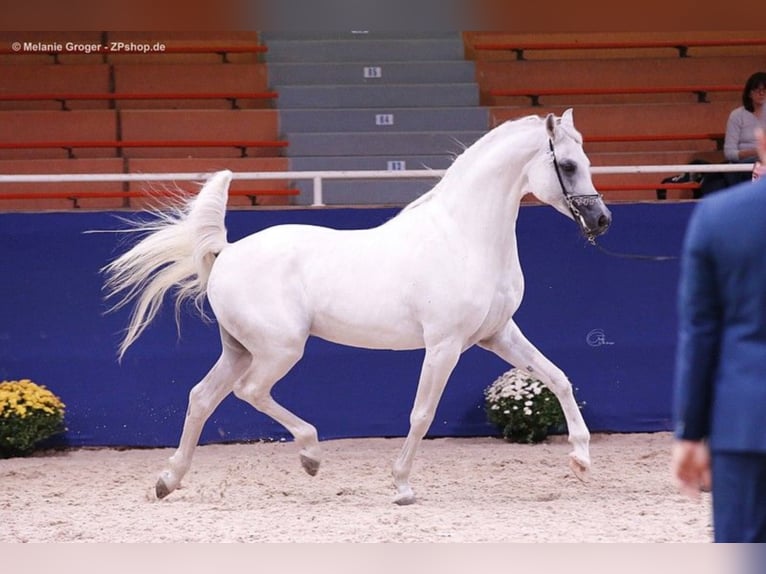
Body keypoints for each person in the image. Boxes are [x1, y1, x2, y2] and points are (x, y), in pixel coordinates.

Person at [671, 121, 766, 542]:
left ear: (761, 142)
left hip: (747, 423)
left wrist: (690, 432)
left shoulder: (718, 216)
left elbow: (701, 333)